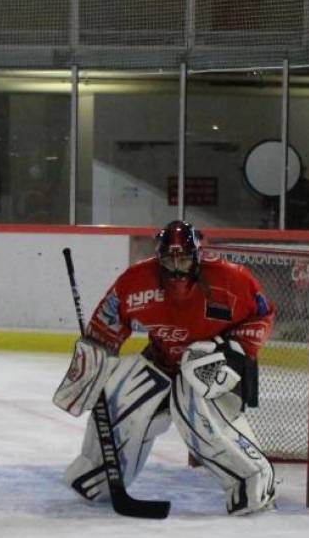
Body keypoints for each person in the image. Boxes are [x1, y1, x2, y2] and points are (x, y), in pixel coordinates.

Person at [53, 221, 278, 515]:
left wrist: (231, 349)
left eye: (183, 259)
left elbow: (263, 316)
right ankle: (104, 472)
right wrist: (92, 362)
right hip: (163, 360)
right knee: (119, 393)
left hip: (214, 366)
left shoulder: (231, 280)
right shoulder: (136, 280)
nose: (176, 269)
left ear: (197, 257)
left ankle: (253, 476)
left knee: (193, 408)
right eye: (169, 260)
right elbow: (105, 329)